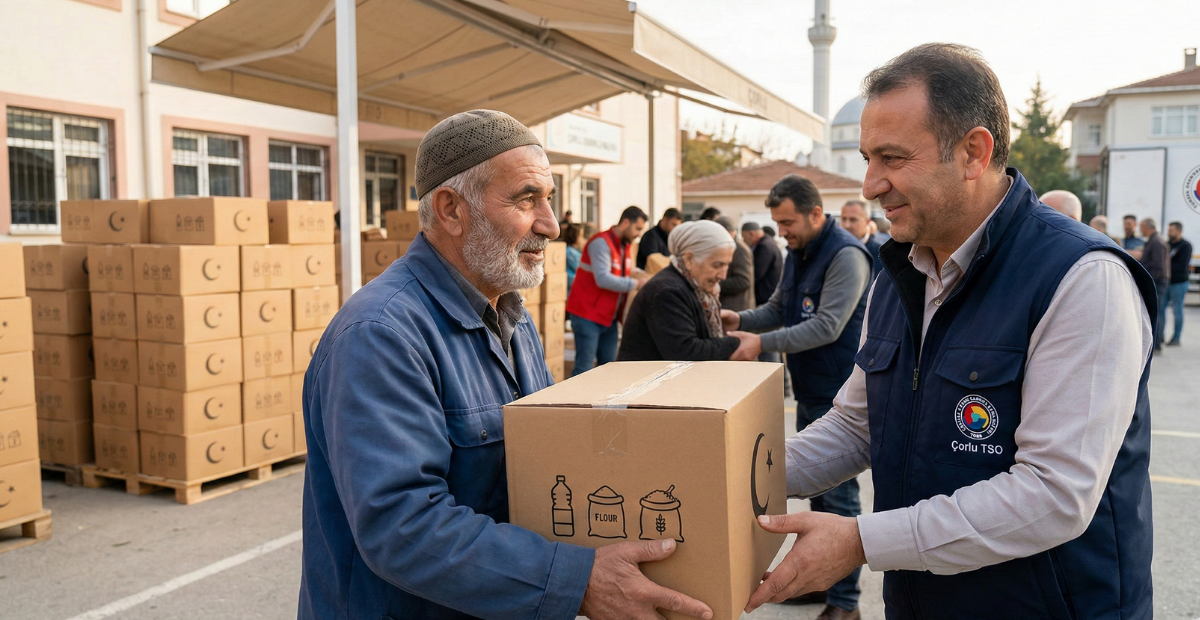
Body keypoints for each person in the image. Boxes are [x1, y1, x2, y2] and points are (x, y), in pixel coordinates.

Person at [743, 44, 1156, 620]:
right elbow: (858, 425)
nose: (869, 184)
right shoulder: (900, 274)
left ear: (973, 152)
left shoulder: (1082, 277)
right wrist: (730, 473)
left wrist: (862, 541)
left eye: (892, 158)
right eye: (867, 158)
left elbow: (1054, 495)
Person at [299, 110, 712, 620]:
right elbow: (400, 526)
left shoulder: (512, 318)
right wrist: (576, 580)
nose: (552, 225)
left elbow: (539, 462)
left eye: (550, 199)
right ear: (451, 209)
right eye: (525, 199)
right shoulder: (381, 336)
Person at [723, 174, 872, 619]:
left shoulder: (847, 256)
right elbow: (779, 308)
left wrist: (761, 343)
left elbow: (827, 325)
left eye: (787, 222)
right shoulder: (798, 252)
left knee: (839, 500)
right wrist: (742, 319)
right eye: (776, 223)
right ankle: (824, 585)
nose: (781, 232)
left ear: (814, 213)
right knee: (816, 497)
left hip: (839, 392)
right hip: (810, 388)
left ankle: (846, 604)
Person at [618, 220, 751, 361]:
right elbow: (686, 351)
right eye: (717, 265)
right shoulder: (666, 292)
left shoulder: (691, 287)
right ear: (688, 260)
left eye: (726, 266)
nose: (723, 275)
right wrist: (737, 342)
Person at [565, 206, 650, 376]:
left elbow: (625, 270)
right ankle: (577, 402)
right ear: (625, 222)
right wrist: (637, 284)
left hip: (609, 317)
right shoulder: (601, 243)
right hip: (587, 315)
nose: (639, 234)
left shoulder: (624, 247)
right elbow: (603, 278)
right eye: (638, 229)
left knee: (609, 369)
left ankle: (602, 403)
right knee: (585, 369)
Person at [1139, 217, 1170, 351]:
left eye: (1142, 227)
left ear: (1148, 227)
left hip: (1157, 281)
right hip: (1157, 280)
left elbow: (1158, 266)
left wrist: (1148, 281)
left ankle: (1157, 342)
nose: (1140, 230)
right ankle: (1157, 339)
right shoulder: (1153, 240)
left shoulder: (1157, 242)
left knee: (1157, 311)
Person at [715, 216, 755, 311]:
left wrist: (716, 283)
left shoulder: (740, 250)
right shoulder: (728, 246)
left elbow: (743, 281)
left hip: (737, 307)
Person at [839, 199, 883, 277]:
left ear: (867, 222)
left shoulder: (880, 254)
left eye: (853, 220)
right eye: (843, 219)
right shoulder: (833, 248)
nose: (847, 225)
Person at [743, 221, 783, 308]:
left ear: (751, 234)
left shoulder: (765, 247)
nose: (744, 241)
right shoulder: (768, 243)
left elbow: (757, 273)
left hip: (765, 294)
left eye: (744, 237)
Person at [1166, 221, 1191, 346]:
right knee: (1160, 310)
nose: (1169, 233)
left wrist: (1166, 266)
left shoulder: (1185, 246)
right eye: (1168, 230)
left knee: (1177, 310)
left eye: (1171, 230)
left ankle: (1176, 337)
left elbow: (1181, 265)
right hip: (1166, 282)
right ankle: (1159, 336)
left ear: (1179, 231)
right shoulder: (1167, 244)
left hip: (1179, 283)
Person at [563, 222, 583, 293]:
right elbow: (581, 269)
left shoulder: (574, 251)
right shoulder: (570, 252)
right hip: (571, 290)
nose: (582, 238)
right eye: (581, 235)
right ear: (575, 236)